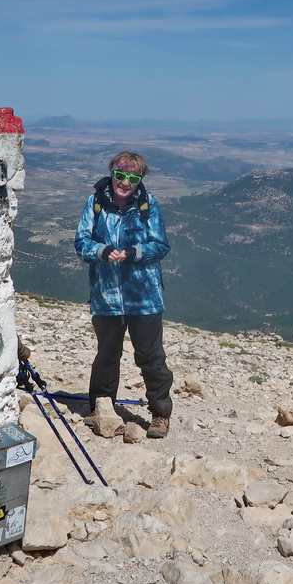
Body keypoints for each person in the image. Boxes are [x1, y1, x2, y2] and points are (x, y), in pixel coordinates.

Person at [74, 151, 174, 438]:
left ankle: (160, 414)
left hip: (144, 297)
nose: (125, 182)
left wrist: (133, 253)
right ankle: (101, 409)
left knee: (151, 357)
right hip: (106, 297)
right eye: (121, 175)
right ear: (112, 173)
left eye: (133, 177)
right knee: (106, 355)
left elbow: (160, 245)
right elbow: (82, 242)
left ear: (140, 179)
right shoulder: (94, 203)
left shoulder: (148, 205)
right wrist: (102, 251)